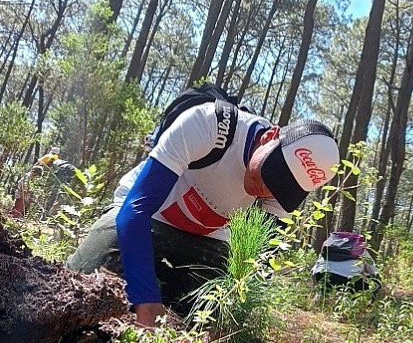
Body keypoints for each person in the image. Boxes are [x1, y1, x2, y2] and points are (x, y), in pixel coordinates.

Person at [66, 87, 339, 327]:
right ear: (270, 137)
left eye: (282, 188)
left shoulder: (281, 193)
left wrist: (227, 314)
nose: (268, 188)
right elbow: (135, 211)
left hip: (207, 240)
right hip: (145, 215)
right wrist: (145, 297)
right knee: (84, 279)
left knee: (208, 315)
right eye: (273, 172)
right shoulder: (209, 125)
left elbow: (257, 263)